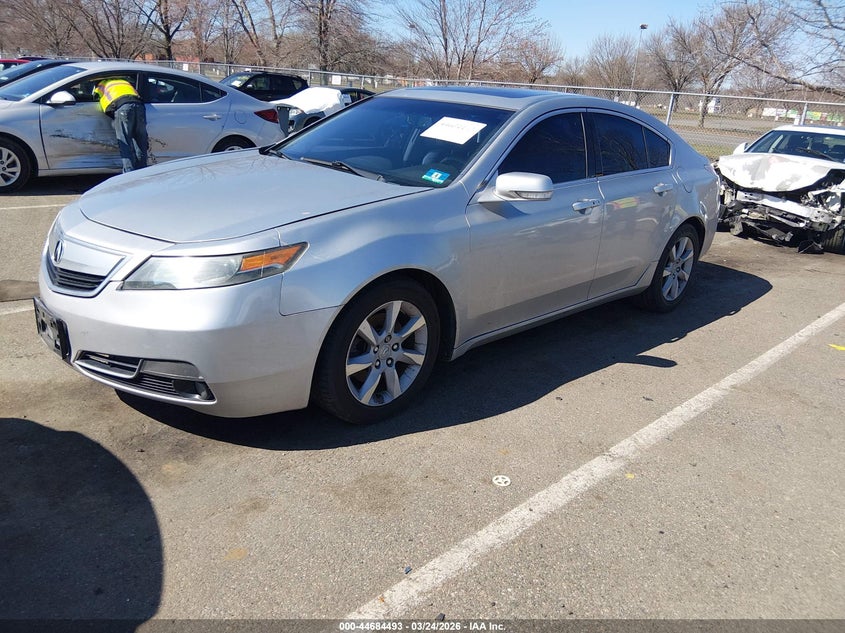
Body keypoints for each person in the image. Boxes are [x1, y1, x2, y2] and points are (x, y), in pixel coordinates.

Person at [92, 78, 148, 173]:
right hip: (139, 106)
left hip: (123, 108)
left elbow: (95, 98)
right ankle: (142, 172)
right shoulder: (124, 82)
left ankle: (128, 173)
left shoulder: (100, 86)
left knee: (125, 142)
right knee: (140, 141)